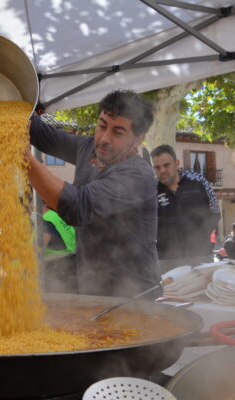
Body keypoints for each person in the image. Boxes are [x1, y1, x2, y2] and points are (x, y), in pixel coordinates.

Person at [26, 89, 159, 298]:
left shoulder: (138, 175)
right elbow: (43, 136)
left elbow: (78, 207)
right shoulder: (89, 148)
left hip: (134, 297)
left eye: (118, 132)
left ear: (137, 140)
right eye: (102, 126)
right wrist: (15, 107)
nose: (104, 139)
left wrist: (23, 159)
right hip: (93, 290)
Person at [150, 144, 221, 273]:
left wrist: (200, 235)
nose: (162, 171)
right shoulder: (151, 190)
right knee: (168, 293)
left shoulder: (199, 181)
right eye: (157, 167)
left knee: (201, 292)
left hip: (200, 256)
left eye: (166, 165)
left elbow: (215, 211)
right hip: (166, 260)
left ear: (176, 163)